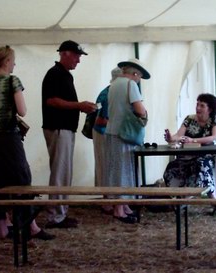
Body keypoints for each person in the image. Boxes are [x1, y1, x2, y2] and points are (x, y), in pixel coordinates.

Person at [0, 45, 55, 240]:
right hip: (8, 137)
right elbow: (22, 110)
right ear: (7, 61)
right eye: (13, 61)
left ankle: (2, 227)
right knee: (22, 178)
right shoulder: (12, 80)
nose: (15, 64)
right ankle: (30, 226)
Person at [42, 40, 97, 229]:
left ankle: (60, 213)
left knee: (64, 172)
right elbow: (52, 101)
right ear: (64, 53)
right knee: (60, 173)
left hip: (64, 128)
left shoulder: (63, 75)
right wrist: (79, 105)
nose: (78, 60)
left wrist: (79, 106)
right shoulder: (55, 74)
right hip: (58, 128)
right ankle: (56, 215)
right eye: (76, 55)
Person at [104, 58, 150, 224]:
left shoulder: (114, 84)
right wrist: (145, 114)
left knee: (116, 170)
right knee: (123, 171)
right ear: (135, 73)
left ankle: (123, 206)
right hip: (124, 133)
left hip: (111, 131)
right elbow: (139, 109)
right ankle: (119, 209)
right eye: (139, 76)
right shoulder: (131, 85)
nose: (139, 80)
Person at [163, 93, 216, 199]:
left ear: (210, 109)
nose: (198, 108)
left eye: (202, 105)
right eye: (197, 104)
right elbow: (179, 135)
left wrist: (193, 140)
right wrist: (171, 138)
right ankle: (179, 199)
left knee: (201, 165)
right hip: (186, 156)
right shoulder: (189, 119)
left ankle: (214, 200)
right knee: (171, 167)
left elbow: (215, 137)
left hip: (206, 156)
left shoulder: (215, 119)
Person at [92, 67, 122, 215]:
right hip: (102, 133)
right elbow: (100, 120)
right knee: (104, 165)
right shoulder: (107, 94)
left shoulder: (112, 92)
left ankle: (110, 199)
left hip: (108, 133)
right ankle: (106, 201)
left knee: (109, 166)